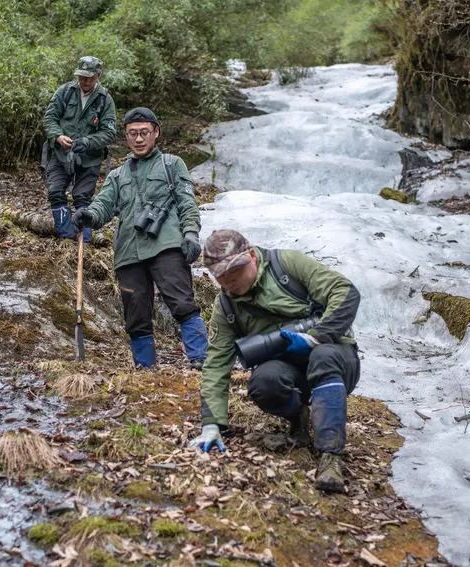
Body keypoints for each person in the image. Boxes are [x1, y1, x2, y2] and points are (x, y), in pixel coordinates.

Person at [189, 230, 361, 493]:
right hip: (288, 368)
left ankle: (330, 456)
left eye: (235, 272)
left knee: (323, 357)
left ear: (251, 257)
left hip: (336, 358)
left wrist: (315, 338)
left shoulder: (288, 265)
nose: (230, 282)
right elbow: (216, 363)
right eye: (221, 278)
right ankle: (299, 419)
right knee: (264, 382)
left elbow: (346, 292)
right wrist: (211, 423)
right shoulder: (225, 306)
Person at [72, 107, 208, 369]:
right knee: (135, 314)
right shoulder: (116, 175)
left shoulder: (172, 164)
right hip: (128, 251)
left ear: (155, 132)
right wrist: (88, 216)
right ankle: (144, 368)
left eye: (144, 133)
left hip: (166, 244)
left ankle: (201, 359)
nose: (138, 139)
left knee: (182, 302)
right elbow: (103, 205)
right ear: (125, 136)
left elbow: (187, 202)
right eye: (132, 134)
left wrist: (190, 232)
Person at [43, 56, 116, 242]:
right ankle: (67, 236)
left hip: (89, 158)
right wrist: (58, 136)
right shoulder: (65, 92)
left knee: (82, 198)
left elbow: (109, 133)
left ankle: (84, 240)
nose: (84, 81)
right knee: (55, 191)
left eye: (89, 78)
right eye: (82, 77)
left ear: (99, 75)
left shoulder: (105, 100)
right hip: (61, 154)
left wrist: (88, 142)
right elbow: (50, 119)